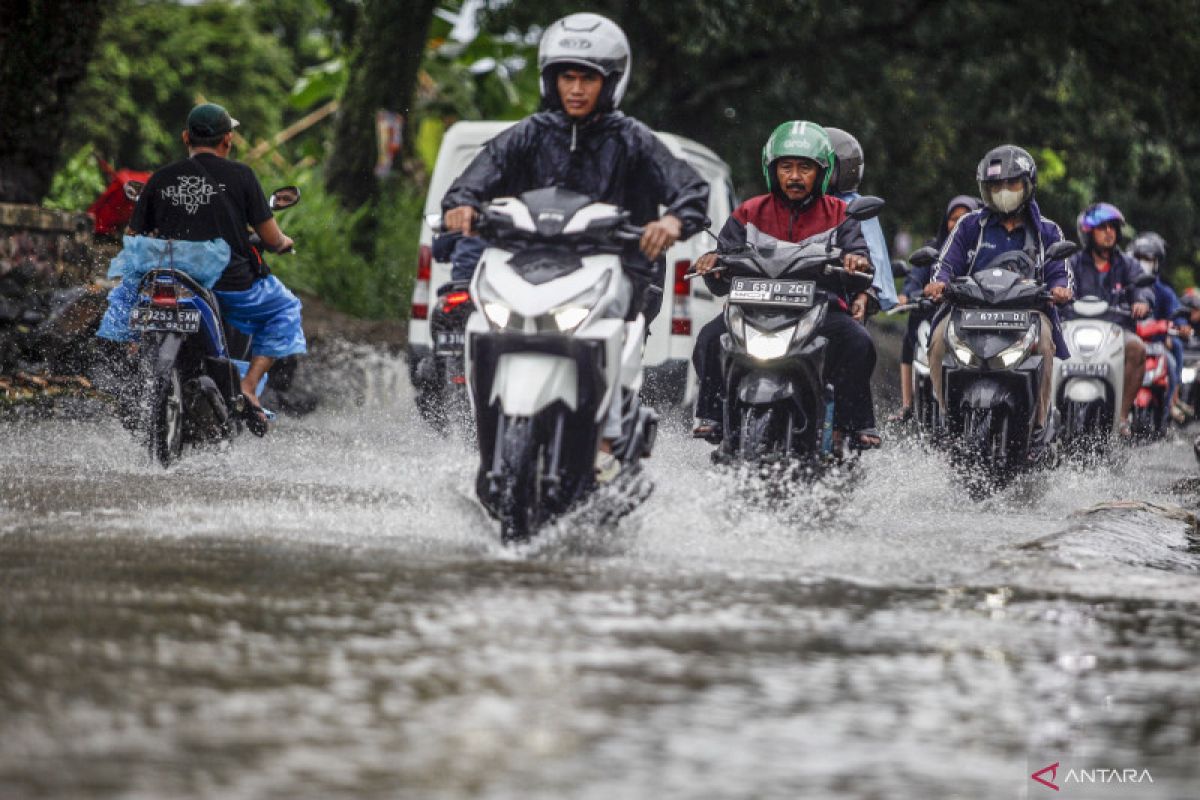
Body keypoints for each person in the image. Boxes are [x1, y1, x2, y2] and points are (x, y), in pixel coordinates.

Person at [439, 12, 710, 476]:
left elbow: (692, 191)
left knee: (619, 336)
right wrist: (461, 205)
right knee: (476, 319)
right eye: (568, 76)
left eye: (588, 77)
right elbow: (469, 185)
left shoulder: (634, 140)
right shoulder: (527, 134)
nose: (577, 88)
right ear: (551, 79)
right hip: (528, 265)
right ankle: (485, 447)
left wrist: (671, 220)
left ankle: (610, 442)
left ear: (611, 83)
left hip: (618, 269)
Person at [98, 102, 304, 434]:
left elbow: (134, 236)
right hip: (228, 283)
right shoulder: (242, 176)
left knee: (125, 312)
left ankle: (132, 373)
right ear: (228, 140)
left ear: (185, 138)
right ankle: (248, 388)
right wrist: (283, 243)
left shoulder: (161, 179)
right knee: (286, 310)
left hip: (165, 278)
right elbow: (270, 237)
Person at [691, 120, 879, 448]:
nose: (794, 176)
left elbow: (859, 257)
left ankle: (855, 425)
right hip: (752, 309)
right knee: (709, 338)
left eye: (805, 167)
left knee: (859, 343)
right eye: (786, 167)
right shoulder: (748, 212)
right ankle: (711, 416)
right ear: (772, 171)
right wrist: (712, 263)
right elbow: (722, 267)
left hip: (819, 310)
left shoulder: (840, 213)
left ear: (823, 172)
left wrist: (856, 261)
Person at [924, 145, 1073, 459]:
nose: (1003, 192)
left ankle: (1038, 426)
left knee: (1046, 344)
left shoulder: (1047, 230)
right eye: (995, 186)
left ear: (1027, 185)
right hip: (970, 314)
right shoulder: (969, 226)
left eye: (1011, 184)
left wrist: (1060, 289)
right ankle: (945, 418)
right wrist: (938, 284)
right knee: (937, 341)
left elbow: (1061, 272)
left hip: (1028, 315)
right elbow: (946, 265)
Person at [1065, 203, 1154, 433]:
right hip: (1075, 330)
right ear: (1088, 233)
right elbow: (1058, 283)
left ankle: (1121, 418)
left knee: (1137, 348)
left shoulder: (1128, 264)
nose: (1109, 232)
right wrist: (1057, 294)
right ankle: (1045, 417)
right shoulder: (1073, 263)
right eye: (1102, 227)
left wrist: (1142, 301)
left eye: (1112, 227)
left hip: (1115, 332)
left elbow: (1141, 286)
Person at [891, 194, 981, 422]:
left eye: (965, 217)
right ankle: (907, 403)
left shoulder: (985, 251)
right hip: (935, 316)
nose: (958, 223)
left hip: (974, 322)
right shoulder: (935, 249)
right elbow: (917, 276)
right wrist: (906, 295)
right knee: (913, 324)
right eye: (953, 218)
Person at [826, 127, 898, 315]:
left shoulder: (855, 206)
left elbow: (873, 257)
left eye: (826, 167)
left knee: (858, 341)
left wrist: (865, 293)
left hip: (841, 298)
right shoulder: (790, 203)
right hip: (794, 295)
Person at [1129, 231, 1192, 420]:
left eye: (1148, 258)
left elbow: (1177, 316)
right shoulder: (1124, 285)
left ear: (1156, 262)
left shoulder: (1164, 292)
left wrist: (1178, 329)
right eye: (1139, 258)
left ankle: (1171, 401)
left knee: (1172, 362)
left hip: (1156, 344)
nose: (1143, 262)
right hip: (1126, 341)